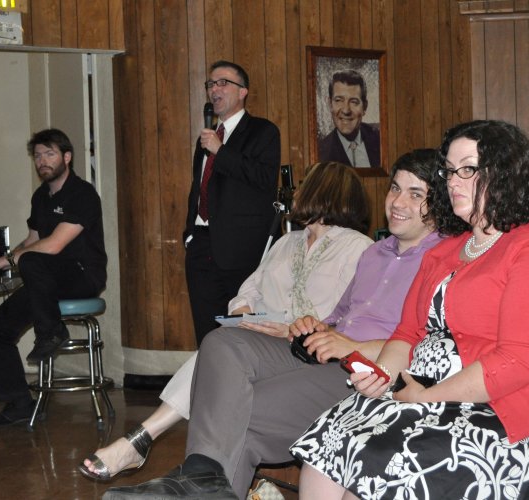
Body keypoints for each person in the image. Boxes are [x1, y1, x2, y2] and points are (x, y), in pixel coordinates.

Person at [100, 149, 460, 499]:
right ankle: (201, 478)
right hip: (321, 352)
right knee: (222, 342)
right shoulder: (374, 253)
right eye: (395, 188)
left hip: (367, 372)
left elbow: (433, 344)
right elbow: (338, 316)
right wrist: (313, 326)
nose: (398, 201)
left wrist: (351, 346)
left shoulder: (444, 259)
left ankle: (197, 483)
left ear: (439, 203)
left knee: (239, 410)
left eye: (416, 194)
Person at [291, 120, 529, 499]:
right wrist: (383, 374)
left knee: (380, 462)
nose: (453, 181)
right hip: (433, 395)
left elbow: (519, 361)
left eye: (468, 169)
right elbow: (408, 334)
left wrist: (429, 396)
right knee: (330, 441)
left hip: (514, 414)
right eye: (449, 171)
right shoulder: (446, 251)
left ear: (506, 173)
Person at [80, 161, 371, 481]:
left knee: (215, 353)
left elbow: (351, 320)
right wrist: (245, 314)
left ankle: (144, 439)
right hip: (259, 339)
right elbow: (248, 290)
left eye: (305, 185)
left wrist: (291, 329)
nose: (297, 191)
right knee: (220, 345)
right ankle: (164, 454)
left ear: (323, 190)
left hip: (304, 351)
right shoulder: (287, 242)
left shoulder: (358, 248)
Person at [0, 128, 107, 426]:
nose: (42, 161)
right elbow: (32, 240)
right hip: (46, 281)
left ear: (67, 157)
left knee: (33, 259)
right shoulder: (40, 197)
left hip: (82, 275)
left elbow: (53, 245)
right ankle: (19, 404)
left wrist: (7, 260)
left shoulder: (82, 194)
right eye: (37, 156)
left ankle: (51, 332)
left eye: (49, 154)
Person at [184, 60, 281, 345]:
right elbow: (198, 188)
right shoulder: (207, 138)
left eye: (223, 83)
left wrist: (220, 151)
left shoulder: (263, 132)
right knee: (207, 332)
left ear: (243, 91)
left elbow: (264, 179)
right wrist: (189, 235)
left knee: (243, 333)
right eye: (211, 84)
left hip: (241, 250)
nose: (214, 89)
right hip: (202, 245)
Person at [318, 69, 381, 168]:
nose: (346, 110)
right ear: (330, 105)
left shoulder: (380, 139)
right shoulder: (320, 152)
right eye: (339, 100)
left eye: (354, 102)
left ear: (364, 107)